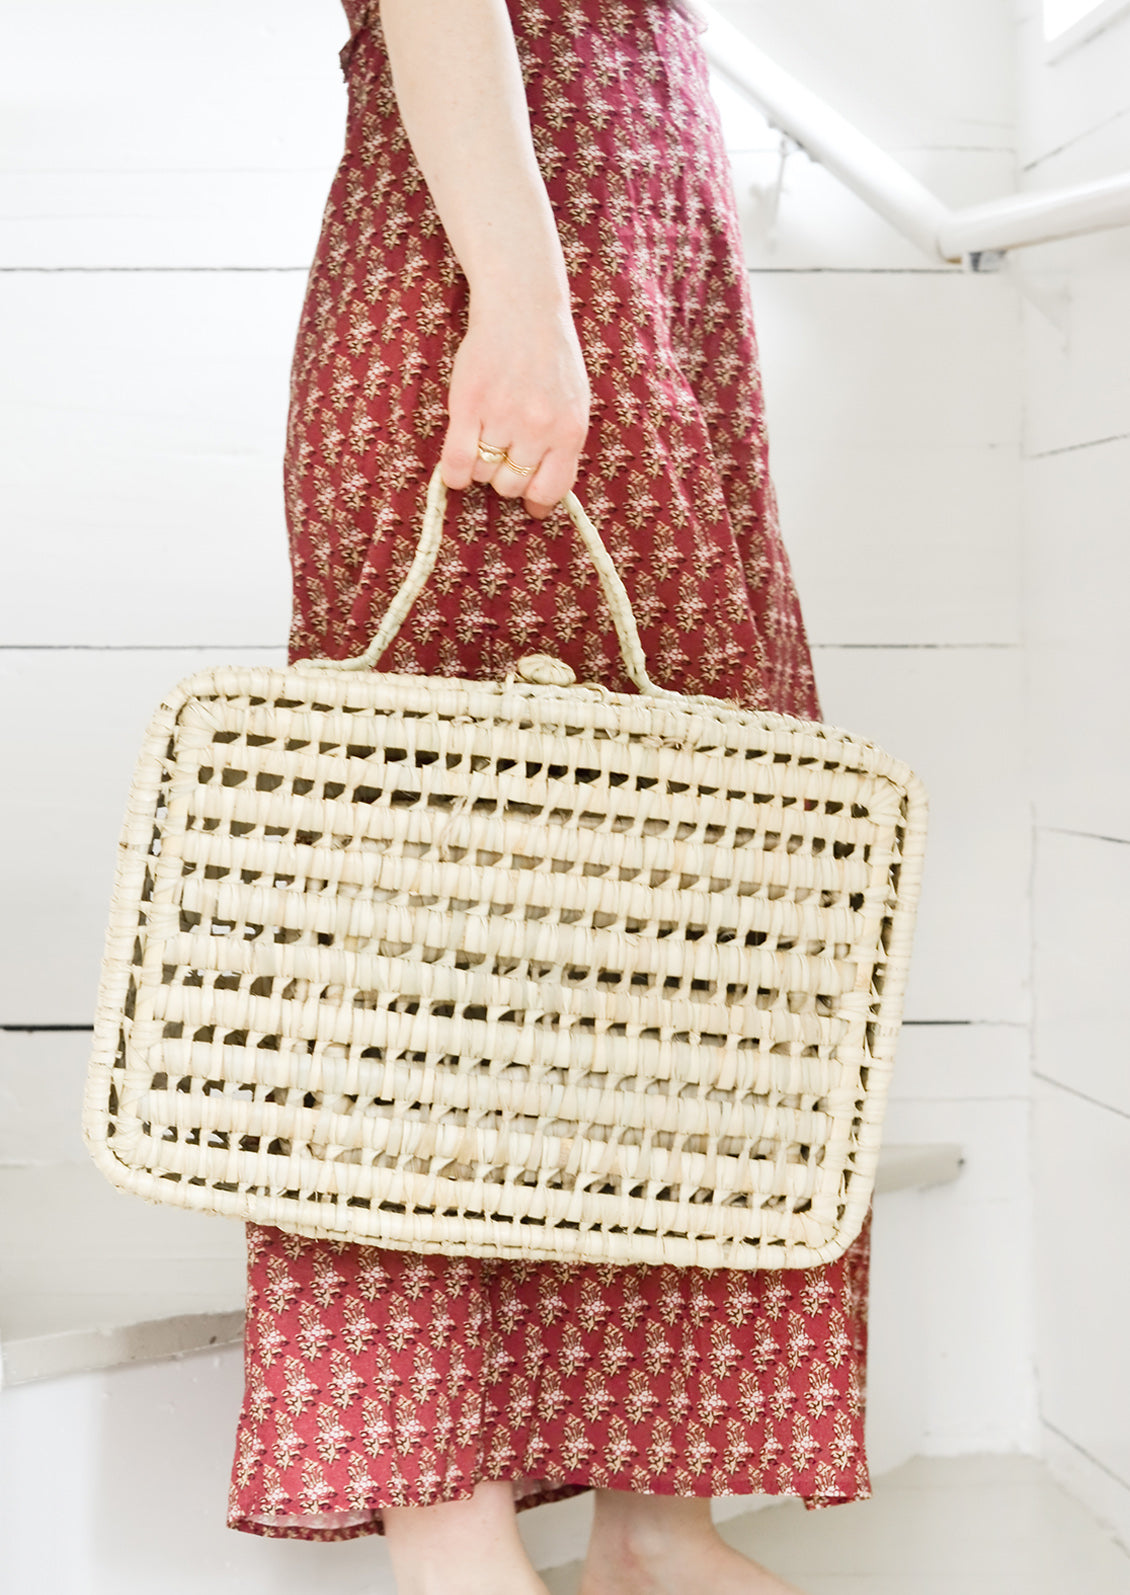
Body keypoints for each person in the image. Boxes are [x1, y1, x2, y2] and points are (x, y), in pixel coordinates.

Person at [226, 3, 872, 1591]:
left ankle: (657, 1520)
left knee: (681, 933)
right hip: (497, 303)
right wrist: (522, 299)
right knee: (422, 940)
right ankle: (448, 1534)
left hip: (644, 311)